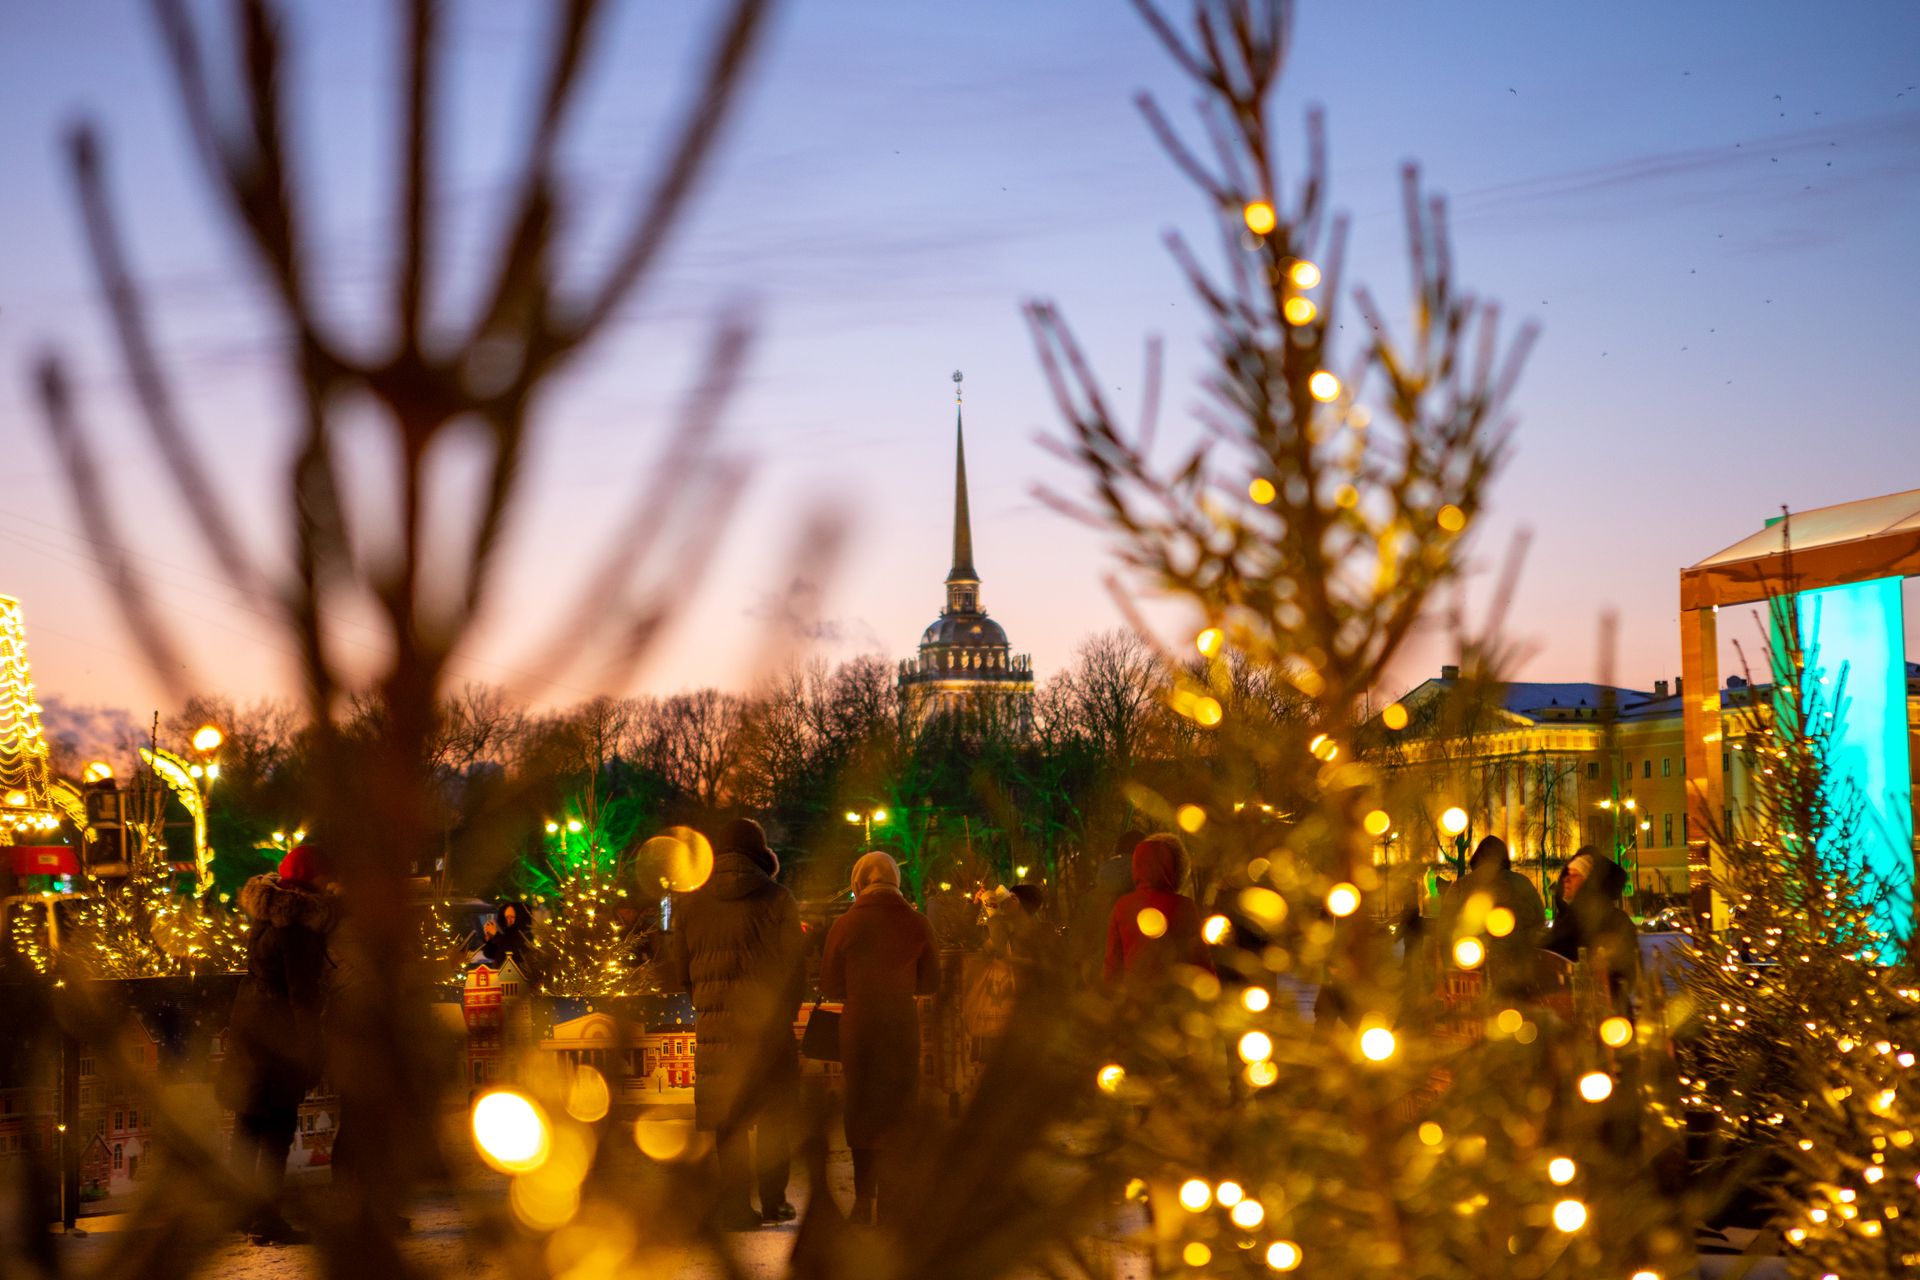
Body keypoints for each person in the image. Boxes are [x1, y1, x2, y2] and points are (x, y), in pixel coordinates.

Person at [659, 818, 805, 1230]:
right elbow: (795, 967)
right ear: (761, 854)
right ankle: (775, 1201)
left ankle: (737, 1206)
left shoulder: (691, 905)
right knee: (773, 1115)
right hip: (769, 1029)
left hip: (716, 1027)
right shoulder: (777, 899)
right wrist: (786, 1011)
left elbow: (682, 969)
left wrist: (708, 1004)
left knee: (729, 1119)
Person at [219, 844, 336, 1245]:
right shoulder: (297, 930)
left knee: (247, 1126)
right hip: (278, 1041)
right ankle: (266, 1219)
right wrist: (311, 1052)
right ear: (312, 879)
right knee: (276, 1132)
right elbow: (302, 997)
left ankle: (239, 1209)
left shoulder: (266, 918)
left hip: (250, 1032)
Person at [820, 850, 938, 1226]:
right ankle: (891, 1201)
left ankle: (862, 1199)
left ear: (858, 883)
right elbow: (932, 982)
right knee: (899, 1108)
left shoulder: (844, 926)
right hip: (900, 1025)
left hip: (859, 1027)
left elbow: (830, 985)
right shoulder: (918, 924)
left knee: (861, 1109)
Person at [1440, 836, 1545, 995]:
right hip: (1518, 974)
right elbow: (1539, 922)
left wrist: (1450, 974)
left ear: (1477, 858)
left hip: (1471, 978)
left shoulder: (1460, 887)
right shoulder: (1522, 884)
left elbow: (1445, 932)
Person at [1104, 834, 1214, 985]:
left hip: (1134, 999)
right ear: (1175, 866)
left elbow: (1112, 965)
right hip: (1173, 999)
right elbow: (1200, 961)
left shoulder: (1122, 906)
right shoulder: (1184, 907)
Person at [1545, 847, 1640, 1001]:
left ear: (1591, 883)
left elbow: (1627, 975)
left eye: (1575, 875)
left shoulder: (1615, 922)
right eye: (1566, 874)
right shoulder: (1565, 919)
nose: (1566, 879)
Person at [1069, 829, 1145, 982]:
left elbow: (1080, 937)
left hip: (1099, 972)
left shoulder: (1092, 896)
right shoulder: (1148, 889)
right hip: (1139, 976)